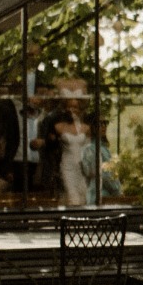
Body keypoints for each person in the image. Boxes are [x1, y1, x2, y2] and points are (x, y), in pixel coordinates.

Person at [49, 78, 94, 206]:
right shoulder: (59, 126)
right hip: (67, 165)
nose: (73, 110)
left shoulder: (86, 128)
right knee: (72, 197)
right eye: (70, 107)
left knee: (84, 194)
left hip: (82, 166)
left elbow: (89, 147)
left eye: (75, 108)